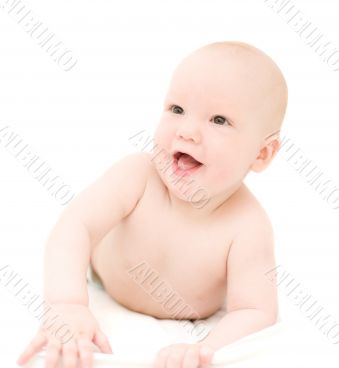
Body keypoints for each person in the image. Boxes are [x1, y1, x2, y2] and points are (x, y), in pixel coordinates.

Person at [17, 40, 288, 368]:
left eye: (218, 120)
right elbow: (75, 226)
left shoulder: (248, 225)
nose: (187, 131)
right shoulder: (138, 175)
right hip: (103, 281)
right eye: (177, 109)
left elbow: (256, 310)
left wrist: (205, 348)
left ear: (262, 154)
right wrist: (67, 304)